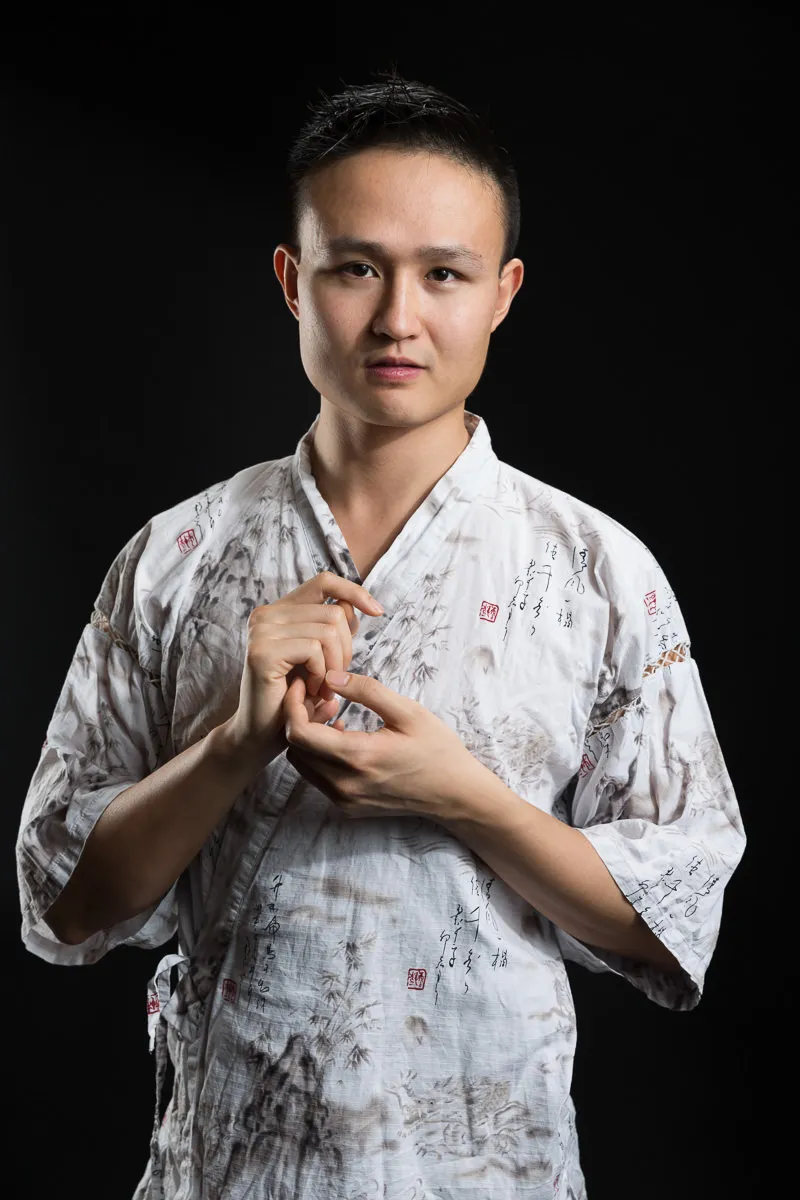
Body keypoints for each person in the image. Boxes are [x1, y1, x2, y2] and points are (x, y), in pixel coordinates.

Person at [16, 72, 746, 1200]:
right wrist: (232, 747)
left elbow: (673, 918)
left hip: (489, 1172)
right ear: (291, 281)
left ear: (501, 293)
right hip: (226, 1172)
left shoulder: (599, 571)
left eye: (443, 274)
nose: (398, 318)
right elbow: (62, 902)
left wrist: (463, 796)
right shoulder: (175, 556)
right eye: (355, 268)